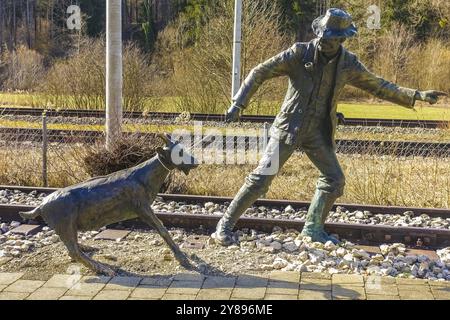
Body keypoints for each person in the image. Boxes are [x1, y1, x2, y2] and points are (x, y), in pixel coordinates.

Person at [211, 8, 447, 246]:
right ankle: (224, 225)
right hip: (288, 128)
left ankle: (312, 229)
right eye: (323, 37)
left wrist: (416, 95)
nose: (325, 42)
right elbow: (259, 71)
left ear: (342, 39)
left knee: (334, 179)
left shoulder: (348, 63)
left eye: (332, 39)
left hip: (317, 132)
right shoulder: (299, 53)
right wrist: (238, 104)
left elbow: (379, 86)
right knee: (260, 179)